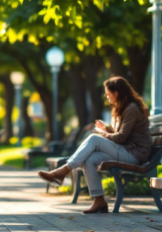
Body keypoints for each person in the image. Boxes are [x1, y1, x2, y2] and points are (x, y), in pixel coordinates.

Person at [38, 76, 152, 214]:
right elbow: (121, 134)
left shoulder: (131, 109)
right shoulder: (122, 108)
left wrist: (104, 135)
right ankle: (99, 201)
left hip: (134, 154)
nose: (106, 96)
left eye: (108, 93)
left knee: (94, 139)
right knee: (90, 160)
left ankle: (62, 171)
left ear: (116, 93)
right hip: (126, 150)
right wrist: (107, 129)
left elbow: (121, 137)